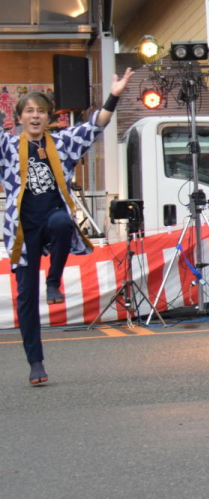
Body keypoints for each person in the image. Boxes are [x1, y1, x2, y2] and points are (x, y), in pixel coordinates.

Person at [2, 69, 134, 385]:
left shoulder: (62, 143)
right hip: (22, 232)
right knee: (25, 300)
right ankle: (36, 363)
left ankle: (54, 280)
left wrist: (114, 94)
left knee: (63, 222)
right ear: (20, 117)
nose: (35, 116)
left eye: (41, 111)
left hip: (52, 221)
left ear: (49, 117)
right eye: (29, 111)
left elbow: (96, 125)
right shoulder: (8, 147)